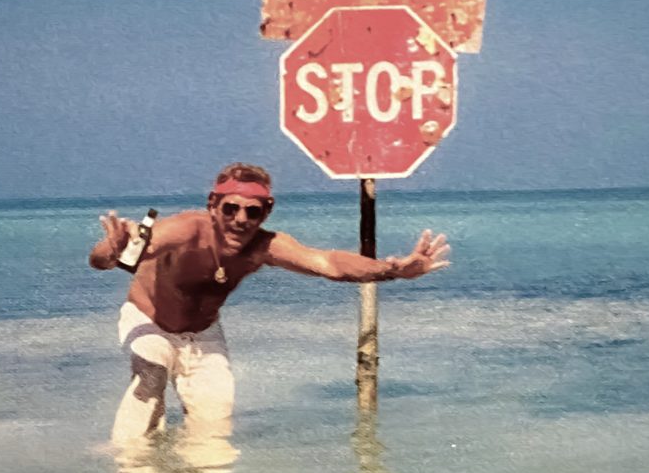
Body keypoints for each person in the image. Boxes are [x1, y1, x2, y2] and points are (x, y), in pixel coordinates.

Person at [89, 163, 449, 443]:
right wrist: (112, 248)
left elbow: (328, 263)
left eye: (252, 212)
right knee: (150, 379)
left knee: (213, 431)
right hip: (150, 321)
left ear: (267, 211)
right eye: (230, 209)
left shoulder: (264, 246)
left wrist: (393, 270)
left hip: (203, 334)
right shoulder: (186, 230)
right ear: (213, 205)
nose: (240, 220)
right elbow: (118, 256)